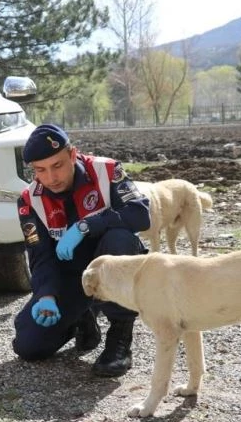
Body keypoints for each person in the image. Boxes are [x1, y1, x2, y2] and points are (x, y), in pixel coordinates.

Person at [12, 123, 150, 377]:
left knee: (120, 238)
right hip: (72, 277)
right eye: (40, 170)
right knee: (29, 346)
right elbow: (40, 256)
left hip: (109, 263)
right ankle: (82, 316)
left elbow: (141, 215)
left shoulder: (106, 171)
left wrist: (86, 225)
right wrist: (46, 296)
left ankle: (120, 339)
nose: (51, 178)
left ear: (73, 154)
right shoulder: (30, 200)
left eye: (57, 165)